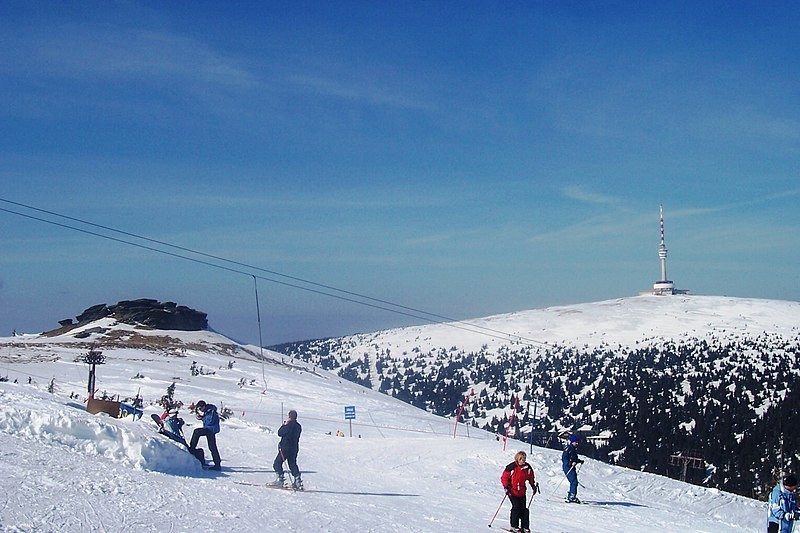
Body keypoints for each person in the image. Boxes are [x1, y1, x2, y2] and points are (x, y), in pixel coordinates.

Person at [500, 450, 538, 533]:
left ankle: (525, 527)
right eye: (521, 459)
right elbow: (504, 478)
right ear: (517, 459)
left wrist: (533, 486)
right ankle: (514, 526)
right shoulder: (512, 467)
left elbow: (531, 477)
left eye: (524, 459)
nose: (523, 461)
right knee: (516, 508)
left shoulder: (527, 467)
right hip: (512, 491)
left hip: (522, 492)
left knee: (524, 509)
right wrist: (506, 487)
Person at [273, 409, 303, 489]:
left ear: (289, 416)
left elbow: (280, 433)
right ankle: (297, 479)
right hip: (294, 448)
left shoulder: (288, 425)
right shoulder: (298, 426)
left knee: (277, 463)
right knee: (292, 464)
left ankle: (280, 479)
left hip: (285, 448)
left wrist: (284, 424)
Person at [189, 400, 222, 471]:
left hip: (211, 430)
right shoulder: (208, 411)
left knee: (197, 432)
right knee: (212, 447)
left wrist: (202, 417)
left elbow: (210, 421)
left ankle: (192, 448)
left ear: (204, 406)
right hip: (209, 429)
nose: (201, 410)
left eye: (201, 408)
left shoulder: (211, 412)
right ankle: (217, 464)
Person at [562, 435, 584, 503]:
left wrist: (579, 461)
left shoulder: (573, 449)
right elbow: (564, 458)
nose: (577, 443)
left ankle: (571, 494)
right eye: (576, 442)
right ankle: (572, 496)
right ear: (572, 442)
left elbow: (574, 458)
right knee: (574, 482)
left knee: (574, 481)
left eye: (577, 442)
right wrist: (570, 463)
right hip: (568, 467)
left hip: (571, 467)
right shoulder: (568, 449)